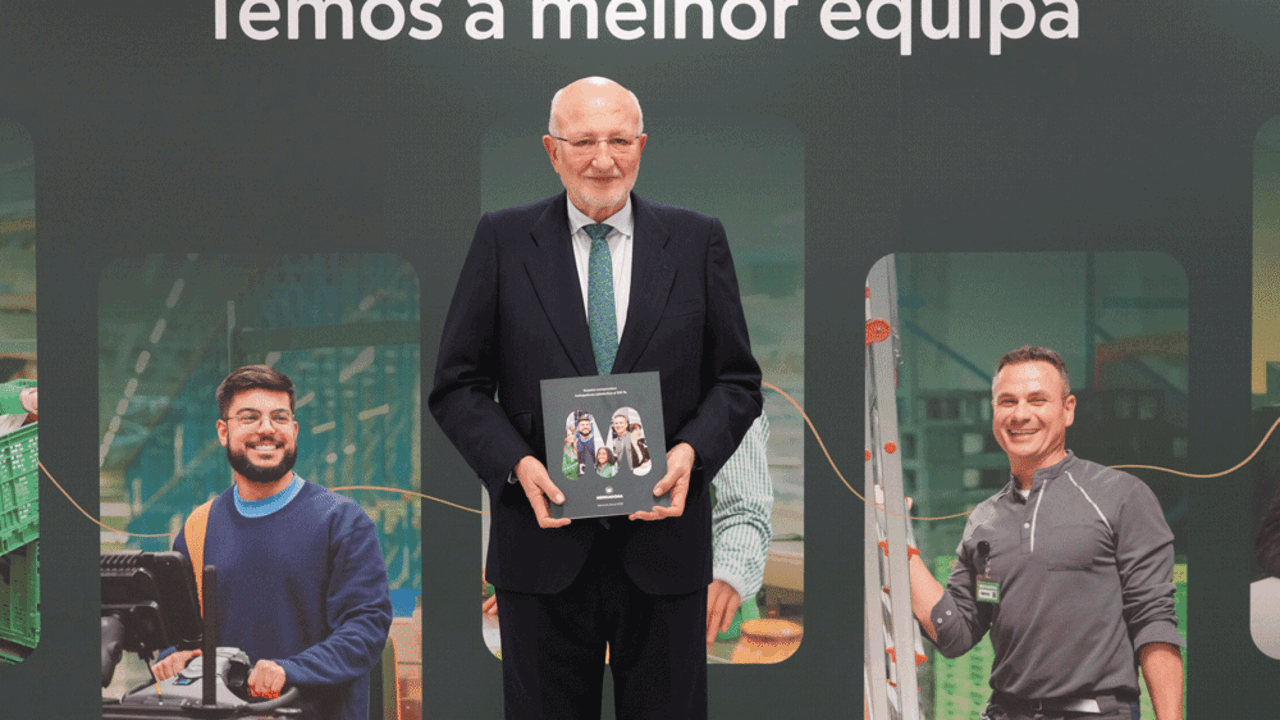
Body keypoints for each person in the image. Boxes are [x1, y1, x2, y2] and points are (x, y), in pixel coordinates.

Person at [430, 76, 762, 720]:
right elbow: (459, 385)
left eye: (618, 140)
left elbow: (737, 381)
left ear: (642, 145)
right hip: (542, 548)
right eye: (583, 141)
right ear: (552, 151)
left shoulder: (697, 241)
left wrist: (692, 451)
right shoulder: (502, 240)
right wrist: (516, 465)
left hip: (664, 551)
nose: (603, 160)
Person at [906, 346, 1184, 720]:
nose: (1021, 414)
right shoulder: (984, 519)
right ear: (995, 412)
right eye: (1008, 401)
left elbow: (1153, 621)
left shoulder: (1121, 496)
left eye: (1037, 400)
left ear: (1068, 409)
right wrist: (898, 546)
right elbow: (955, 635)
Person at [152, 366, 393, 720]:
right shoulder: (198, 528)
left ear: (294, 430)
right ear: (223, 431)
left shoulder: (341, 521)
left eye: (279, 417)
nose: (267, 429)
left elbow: (366, 626)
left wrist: (290, 669)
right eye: (249, 417)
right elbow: (176, 632)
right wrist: (172, 657)